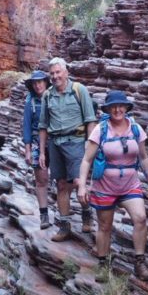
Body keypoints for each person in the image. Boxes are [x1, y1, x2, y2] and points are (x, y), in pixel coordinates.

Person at [77, 91, 148, 281]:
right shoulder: (101, 130)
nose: (118, 109)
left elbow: (143, 157)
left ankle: (140, 262)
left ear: (127, 108)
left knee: (141, 218)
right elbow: (87, 160)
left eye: (121, 106)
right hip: (104, 186)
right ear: (108, 109)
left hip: (130, 184)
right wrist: (82, 186)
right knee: (105, 226)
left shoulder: (135, 129)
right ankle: (103, 265)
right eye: (113, 106)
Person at [39, 57, 97, 242]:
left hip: (76, 142)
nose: (55, 76)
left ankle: (87, 213)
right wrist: (41, 151)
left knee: (80, 182)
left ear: (66, 72)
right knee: (61, 185)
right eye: (52, 73)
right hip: (55, 144)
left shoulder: (79, 90)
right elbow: (42, 126)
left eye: (58, 72)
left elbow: (90, 120)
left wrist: (90, 145)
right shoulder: (47, 95)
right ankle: (64, 227)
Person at [21, 70, 52, 228]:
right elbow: (26, 126)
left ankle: (65, 215)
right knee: (41, 180)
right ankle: (44, 216)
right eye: (35, 83)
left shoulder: (54, 97)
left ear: (46, 82)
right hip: (35, 143)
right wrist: (27, 150)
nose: (38, 85)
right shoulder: (30, 101)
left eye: (40, 81)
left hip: (54, 143)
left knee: (63, 180)